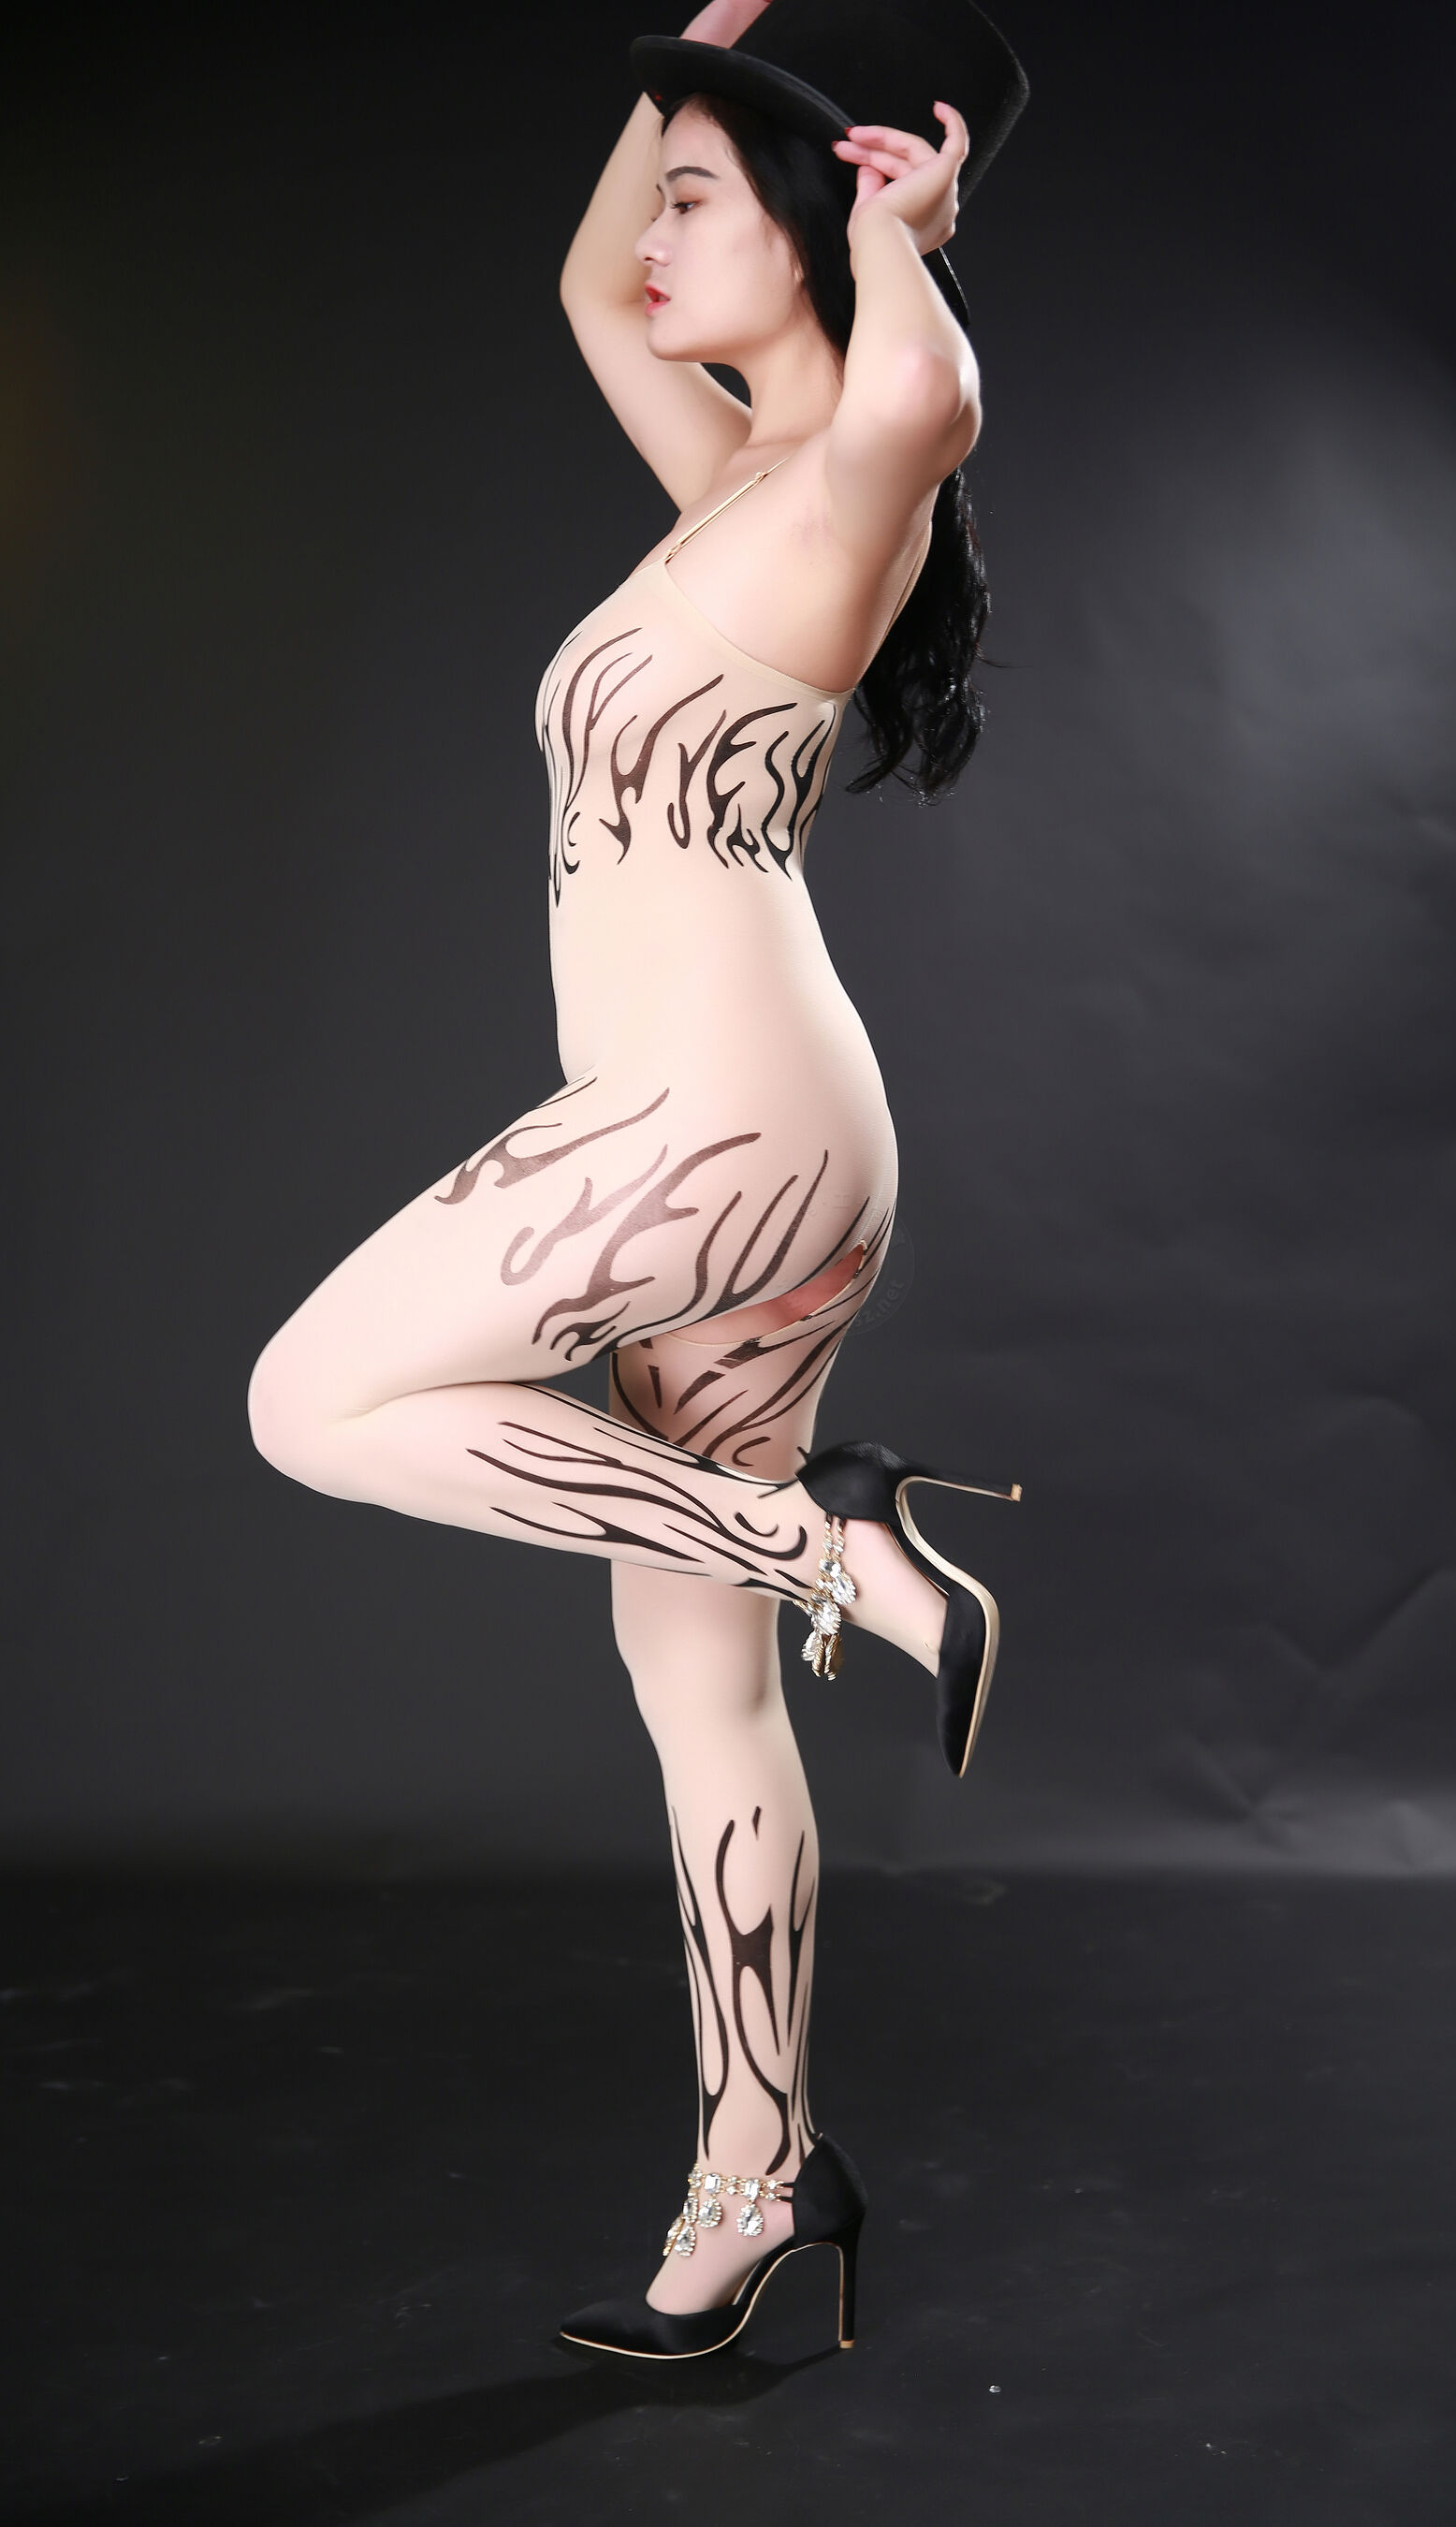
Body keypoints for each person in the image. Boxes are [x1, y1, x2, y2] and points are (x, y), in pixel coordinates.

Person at [246, 0, 1026, 2360]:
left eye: (704, 192)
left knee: (312, 1402)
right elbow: (592, 291)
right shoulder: (732, 475)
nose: (659, 233)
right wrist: (690, 58)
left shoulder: (869, 450)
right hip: (744, 1133)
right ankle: (759, 2180)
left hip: (719, 1129)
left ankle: (841, 1548)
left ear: (821, 219)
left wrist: (903, 224)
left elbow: (929, 383)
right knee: (696, 1687)